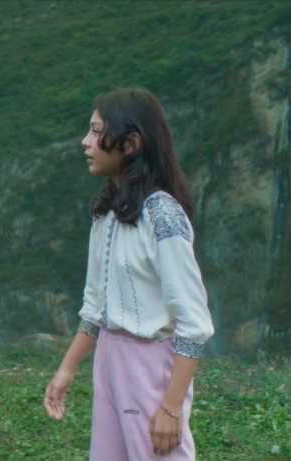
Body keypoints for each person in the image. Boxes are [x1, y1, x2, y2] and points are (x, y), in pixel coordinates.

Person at [42, 88, 215, 459]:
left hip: (150, 364)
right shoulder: (107, 212)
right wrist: (66, 370)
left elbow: (194, 323)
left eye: (95, 131)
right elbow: (96, 307)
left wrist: (171, 406)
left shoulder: (162, 214)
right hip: (109, 358)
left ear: (130, 143)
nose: (85, 141)